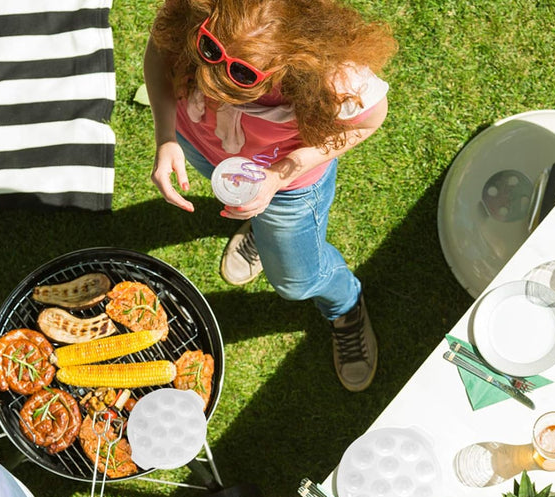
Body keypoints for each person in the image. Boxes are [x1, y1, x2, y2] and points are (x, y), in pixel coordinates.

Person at [144, 0, 396, 392]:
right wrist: (166, 136)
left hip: (286, 187)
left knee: (296, 281)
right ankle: (261, 228)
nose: (209, 84)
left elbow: (369, 119)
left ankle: (345, 307)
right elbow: (159, 56)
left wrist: (278, 177)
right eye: (207, 53)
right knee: (247, 206)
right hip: (199, 144)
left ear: (294, 59)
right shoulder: (196, 13)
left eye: (241, 76)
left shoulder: (334, 76)